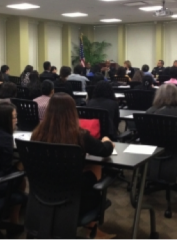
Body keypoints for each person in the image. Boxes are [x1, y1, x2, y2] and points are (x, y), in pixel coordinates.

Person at [31, 93, 115, 238]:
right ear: (72, 112)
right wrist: (107, 140)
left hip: (43, 191)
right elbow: (104, 150)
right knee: (95, 167)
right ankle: (93, 231)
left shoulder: (37, 134)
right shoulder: (80, 135)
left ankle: (89, 228)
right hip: (73, 193)